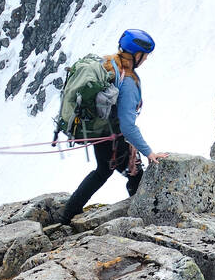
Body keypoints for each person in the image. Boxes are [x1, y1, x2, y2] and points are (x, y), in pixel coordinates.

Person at [58, 29, 169, 224]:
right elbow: (128, 125)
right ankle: (140, 217)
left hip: (100, 131)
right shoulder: (128, 81)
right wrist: (149, 152)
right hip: (112, 135)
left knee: (104, 170)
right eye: (145, 56)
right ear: (137, 55)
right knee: (134, 172)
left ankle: (68, 214)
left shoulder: (109, 63)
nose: (146, 60)